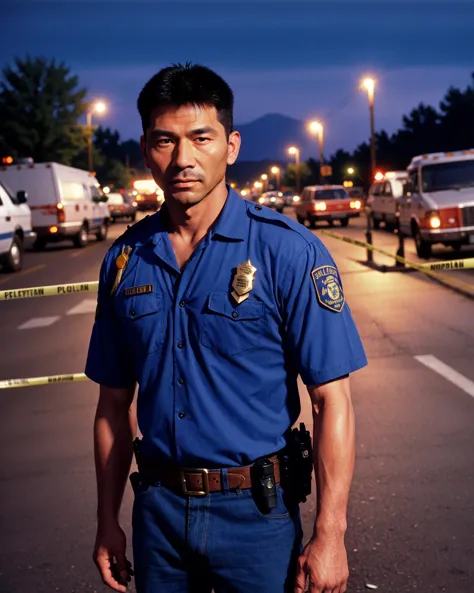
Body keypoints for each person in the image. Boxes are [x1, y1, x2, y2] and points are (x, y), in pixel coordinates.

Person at [85, 63, 367, 593]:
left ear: (231, 146)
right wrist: (107, 520)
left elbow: (333, 399)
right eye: (165, 141)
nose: (183, 159)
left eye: (201, 138)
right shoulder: (125, 262)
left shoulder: (288, 251)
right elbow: (111, 407)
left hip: (256, 517)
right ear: (146, 149)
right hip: (158, 516)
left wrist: (331, 533)